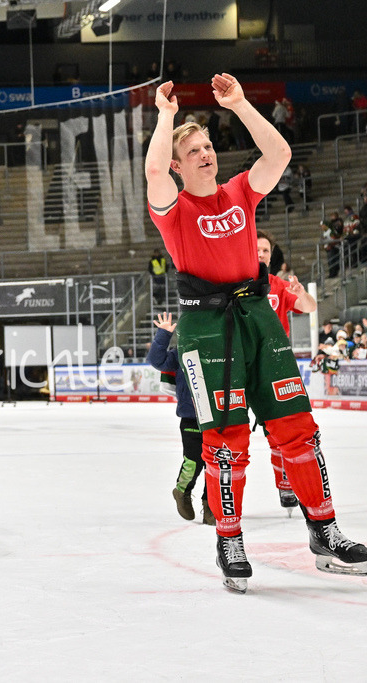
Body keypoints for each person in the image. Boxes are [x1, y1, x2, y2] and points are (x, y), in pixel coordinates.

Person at [145, 73, 367, 594]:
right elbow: (153, 167)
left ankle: (325, 529)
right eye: (193, 150)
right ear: (179, 166)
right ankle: (230, 538)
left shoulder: (239, 193)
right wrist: (165, 118)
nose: (205, 155)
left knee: (298, 428)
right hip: (206, 327)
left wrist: (242, 105)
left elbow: (280, 154)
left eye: (207, 146)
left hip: (259, 318)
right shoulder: (174, 212)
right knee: (225, 441)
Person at [256, 231, 317, 514]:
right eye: (256, 249)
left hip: (277, 365)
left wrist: (302, 295)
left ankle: (286, 484)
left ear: (271, 255)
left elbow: (308, 308)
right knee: (228, 431)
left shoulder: (279, 286)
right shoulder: (233, 285)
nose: (261, 254)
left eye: (266, 250)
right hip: (242, 365)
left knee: (281, 430)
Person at [147, 312, 213, 525]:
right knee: (193, 461)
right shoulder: (180, 353)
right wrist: (163, 335)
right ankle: (182, 491)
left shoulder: (220, 350)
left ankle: (210, 506)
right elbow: (156, 360)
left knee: (217, 464)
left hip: (218, 416)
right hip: (191, 416)